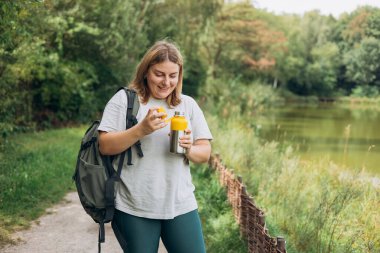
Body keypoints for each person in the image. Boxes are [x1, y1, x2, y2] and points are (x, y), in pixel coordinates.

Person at [98, 40, 213, 253]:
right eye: (159, 74)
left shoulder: (187, 105)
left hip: (181, 204)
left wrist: (188, 149)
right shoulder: (125, 100)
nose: (166, 82)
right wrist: (141, 129)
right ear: (145, 72)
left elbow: (204, 153)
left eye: (173, 75)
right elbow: (104, 145)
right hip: (135, 205)